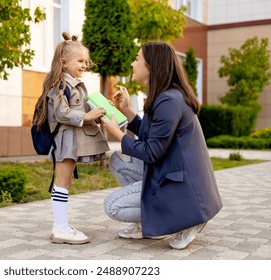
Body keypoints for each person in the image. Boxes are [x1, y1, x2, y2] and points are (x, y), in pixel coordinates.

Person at [101, 42, 223, 250]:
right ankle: (145, 226)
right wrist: (128, 111)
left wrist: (118, 135)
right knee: (117, 161)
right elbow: (153, 136)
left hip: (181, 184)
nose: (132, 63)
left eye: (137, 59)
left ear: (151, 65)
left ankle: (190, 218)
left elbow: (151, 151)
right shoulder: (163, 95)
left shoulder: (168, 101)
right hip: (169, 172)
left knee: (112, 206)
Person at [33, 32, 109, 245]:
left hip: (72, 138)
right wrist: (86, 116)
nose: (84, 65)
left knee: (65, 182)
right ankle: (60, 227)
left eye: (86, 61)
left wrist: (99, 111)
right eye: (80, 61)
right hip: (65, 140)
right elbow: (61, 113)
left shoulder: (75, 85)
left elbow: (79, 108)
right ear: (64, 63)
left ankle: (61, 225)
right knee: (62, 181)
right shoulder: (58, 86)